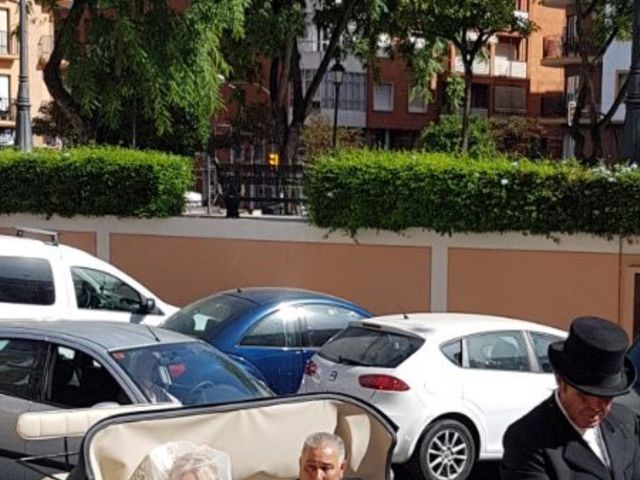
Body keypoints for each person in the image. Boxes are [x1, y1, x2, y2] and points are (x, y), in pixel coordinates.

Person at [500, 315, 640, 480]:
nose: (595, 407)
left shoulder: (627, 422)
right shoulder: (526, 440)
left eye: (605, 398)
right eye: (584, 396)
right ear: (560, 381)